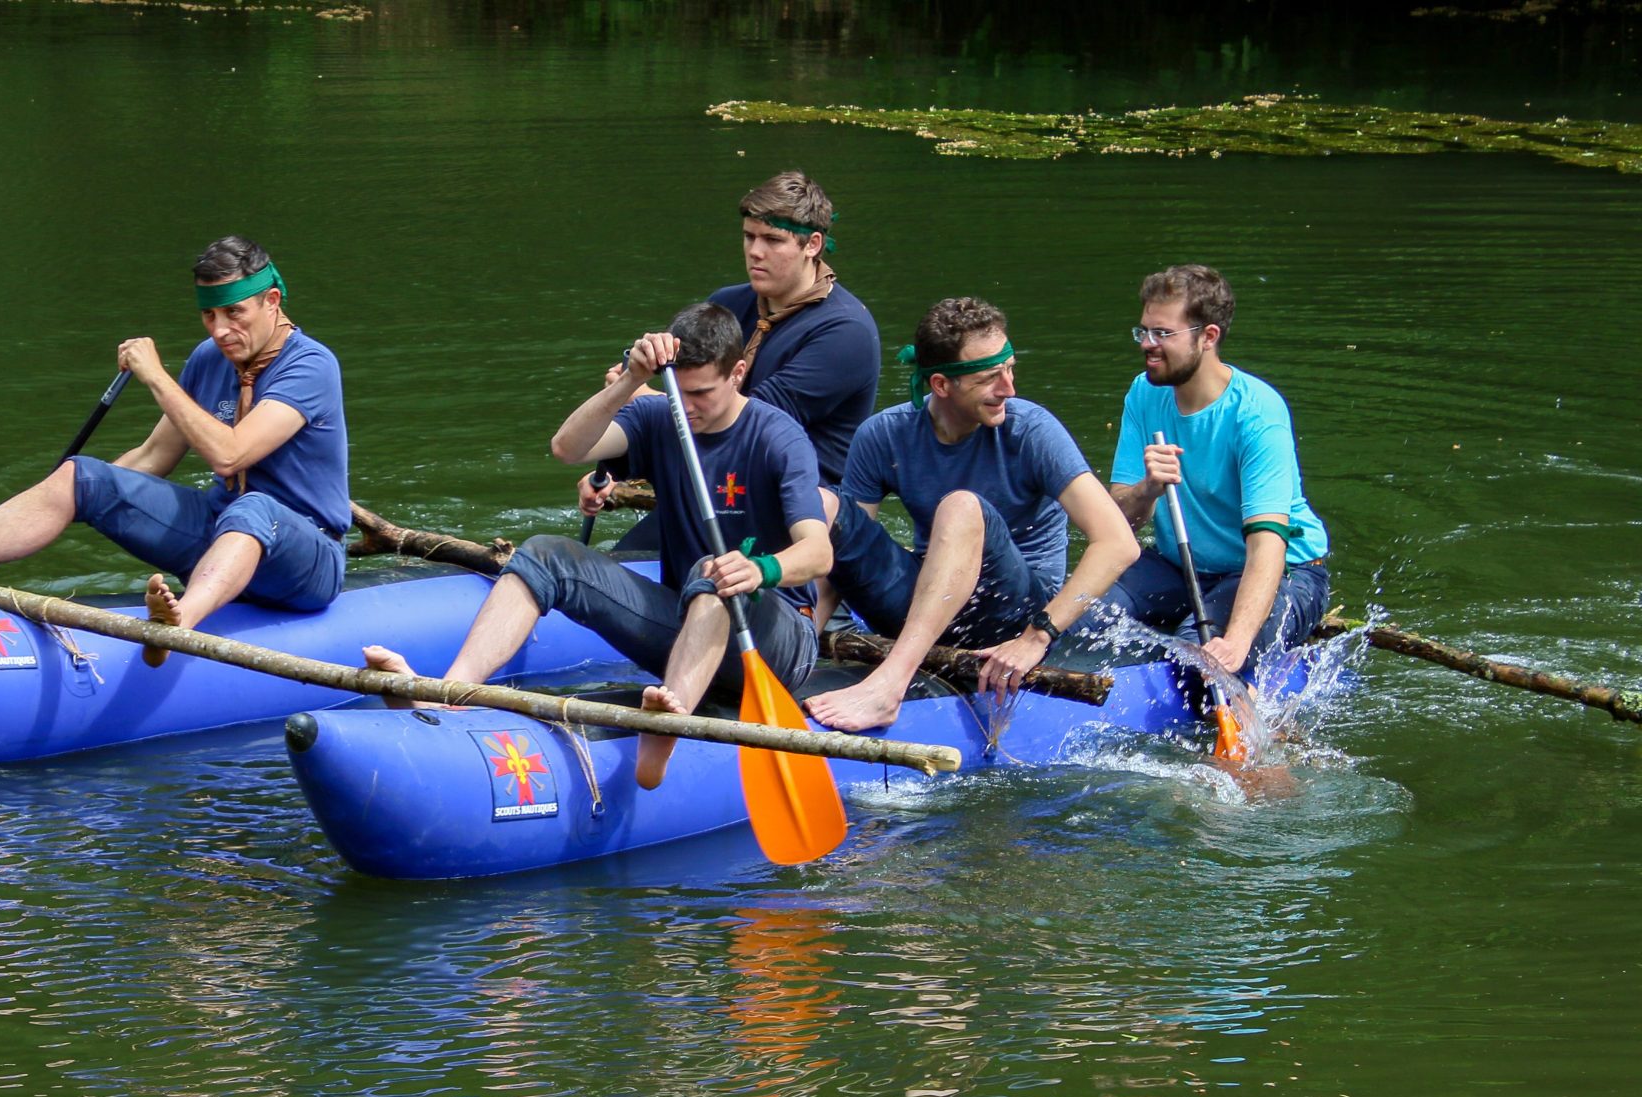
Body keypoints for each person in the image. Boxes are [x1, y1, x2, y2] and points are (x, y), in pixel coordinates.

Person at [365, 302, 830, 789]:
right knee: (546, 552)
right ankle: (449, 695)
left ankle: (666, 729)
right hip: (686, 622)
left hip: (776, 642)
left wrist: (760, 569)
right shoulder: (663, 416)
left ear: (737, 373)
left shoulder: (778, 436)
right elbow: (568, 448)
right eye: (679, 392)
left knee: (714, 573)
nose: (688, 406)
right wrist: (632, 379)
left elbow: (818, 552)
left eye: (702, 394)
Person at [0, 235, 349, 664]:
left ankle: (177, 628)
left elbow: (230, 456)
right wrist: (83, 498)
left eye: (234, 313)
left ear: (272, 301)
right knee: (83, 474)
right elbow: (153, 458)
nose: (219, 331)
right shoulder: (210, 357)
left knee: (255, 507)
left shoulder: (311, 366)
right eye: (209, 315)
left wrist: (155, 376)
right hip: (222, 533)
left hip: (307, 559)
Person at [804, 297, 1140, 733]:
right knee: (823, 505)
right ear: (941, 385)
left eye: (1010, 369)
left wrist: (1036, 638)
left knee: (961, 506)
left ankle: (889, 686)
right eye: (989, 378)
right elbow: (840, 556)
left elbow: (1118, 543)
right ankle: (793, 643)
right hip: (930, 602)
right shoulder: (884, 434)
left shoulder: (1031, 430)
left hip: (1011, 614)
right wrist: (808, 630)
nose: (1009, 388)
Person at [594, 170, 881, 547]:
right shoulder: (727, 303)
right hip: (714, 485)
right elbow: (687, 395)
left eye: (772, 240)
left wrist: (643, 400)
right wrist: (616, 470)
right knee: (616, 571)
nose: (755, 251)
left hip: (792, 510)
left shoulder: (846, 332)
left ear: (812, 244)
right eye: (749, 236)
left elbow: (750, 423)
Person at [1086, 264, 1330, 674]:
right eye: (1143, 331)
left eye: (1163, 334)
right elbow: (1120, 518)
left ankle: (1257, 691)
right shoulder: (1144, 393)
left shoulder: (1257, 412)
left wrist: (1236, 643)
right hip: (1180, 567)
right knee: (1082, 618)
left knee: (1196, 661)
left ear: (1208, 337)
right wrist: (1148, 488)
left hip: (1282, 572)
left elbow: (1268, 543)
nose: (1147, 344)